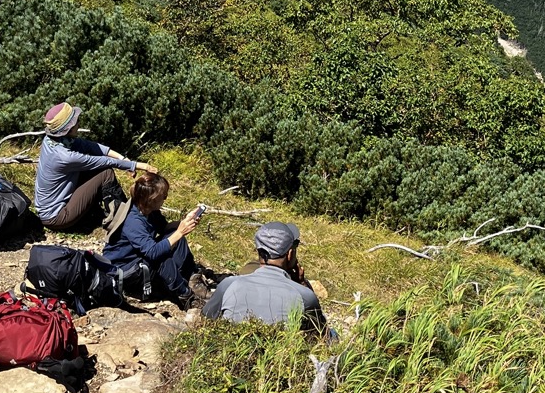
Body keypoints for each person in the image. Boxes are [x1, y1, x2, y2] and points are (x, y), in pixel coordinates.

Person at [32, 101, 157, 232]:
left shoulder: (52, 141)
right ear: (68, 129)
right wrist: (137, 165)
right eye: (76, 122)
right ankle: (124, 219)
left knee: (96, 171)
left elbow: (93, 147)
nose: (78, 124)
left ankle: (102, 212)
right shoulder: (65, 157)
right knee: (105, 173)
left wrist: (124, 159)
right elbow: (106, 161)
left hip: (46, 211)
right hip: (56, 217)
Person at [101, 171, 203, 309]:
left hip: (138, 258)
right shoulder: (133, 221)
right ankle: (185, 296)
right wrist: (180, 231)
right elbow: (153, 253)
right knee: (162, 258)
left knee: (176, 237)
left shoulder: (149, 211)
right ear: (151, 199)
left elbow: (165, 228)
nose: (165, 198)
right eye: (163, 196)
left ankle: (191, 279)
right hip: (125, 269)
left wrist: (185, 222)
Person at [202, 221, 326, 334]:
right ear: (289, 254)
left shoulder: (228, 284)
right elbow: (322, 336)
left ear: (259, 251)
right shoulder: (304, 296)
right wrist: (302, 284)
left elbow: (207, 318)